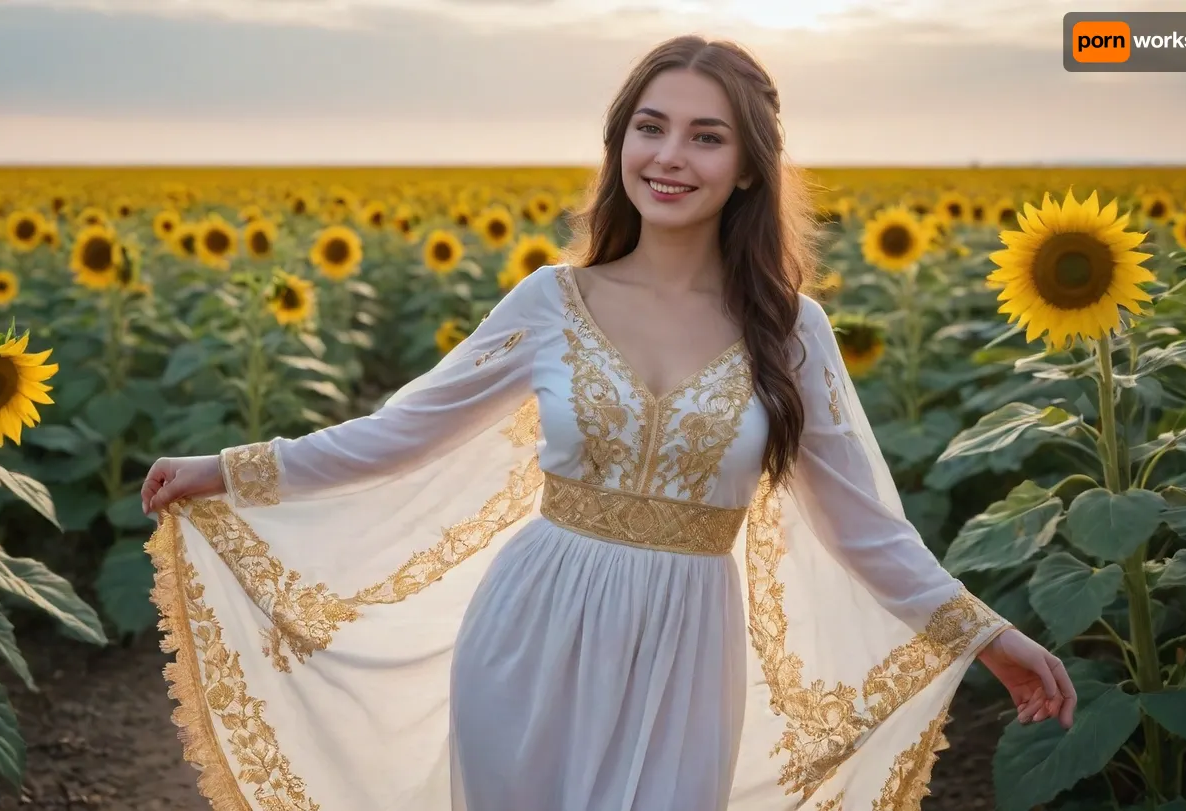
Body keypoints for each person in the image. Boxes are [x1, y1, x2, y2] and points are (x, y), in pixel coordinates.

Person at [139, 34, 1076, 811]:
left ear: (750, 167)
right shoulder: (551, 299)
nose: (669, 157)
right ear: (618, 143)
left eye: (706, 138)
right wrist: (227, 467)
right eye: (649, 127)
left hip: (688, 654)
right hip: (529, 633)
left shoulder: (793, 331)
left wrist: (988, 634)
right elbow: (400, 431)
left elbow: (866, 527)